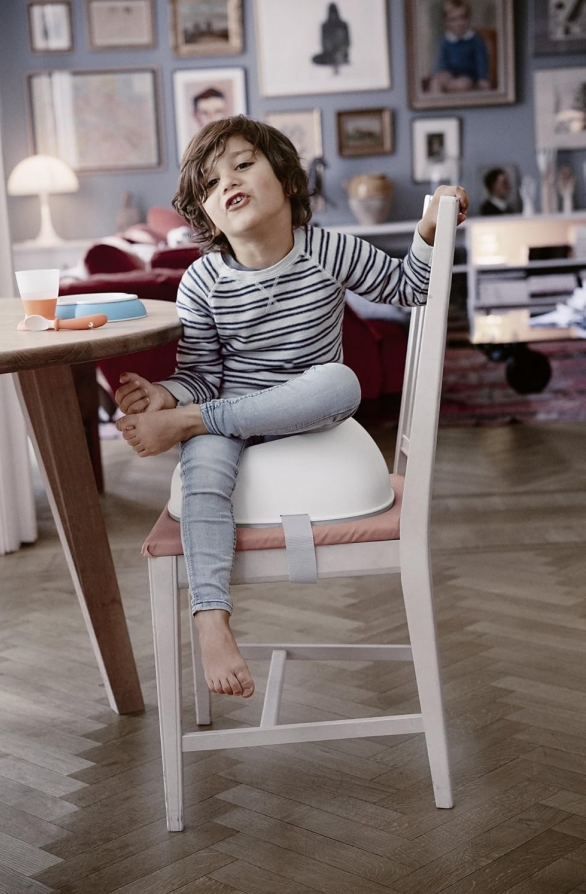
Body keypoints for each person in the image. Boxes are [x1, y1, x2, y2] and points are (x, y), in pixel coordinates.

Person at [114, 116, 468, 700]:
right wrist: (166, 395)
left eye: (242, 164)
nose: (228, 182)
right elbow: (202, 376)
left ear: (288, 180)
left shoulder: (327, 249)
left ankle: (193, 425)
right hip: (226, 415)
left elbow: (412, 287)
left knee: (340, 381)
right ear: (207, 216)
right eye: (210, 183)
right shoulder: (201, 282)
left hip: (306, 410)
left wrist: (430, 231)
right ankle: (211, 617)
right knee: (203, 475)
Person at [429, 0, 491, 93]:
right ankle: (438, 101)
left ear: (469, 19)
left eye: (462, 18)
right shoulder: (445, 40)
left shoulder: (476, 40)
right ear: (446, 22)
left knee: (463, 84)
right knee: (435, 82)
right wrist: (442, 74)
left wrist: (483, 78)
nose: (459, 23)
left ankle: (453, 95)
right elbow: (442, 60)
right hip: (450, 75)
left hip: (469, 76)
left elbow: (481, 61)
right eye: (453, 20)